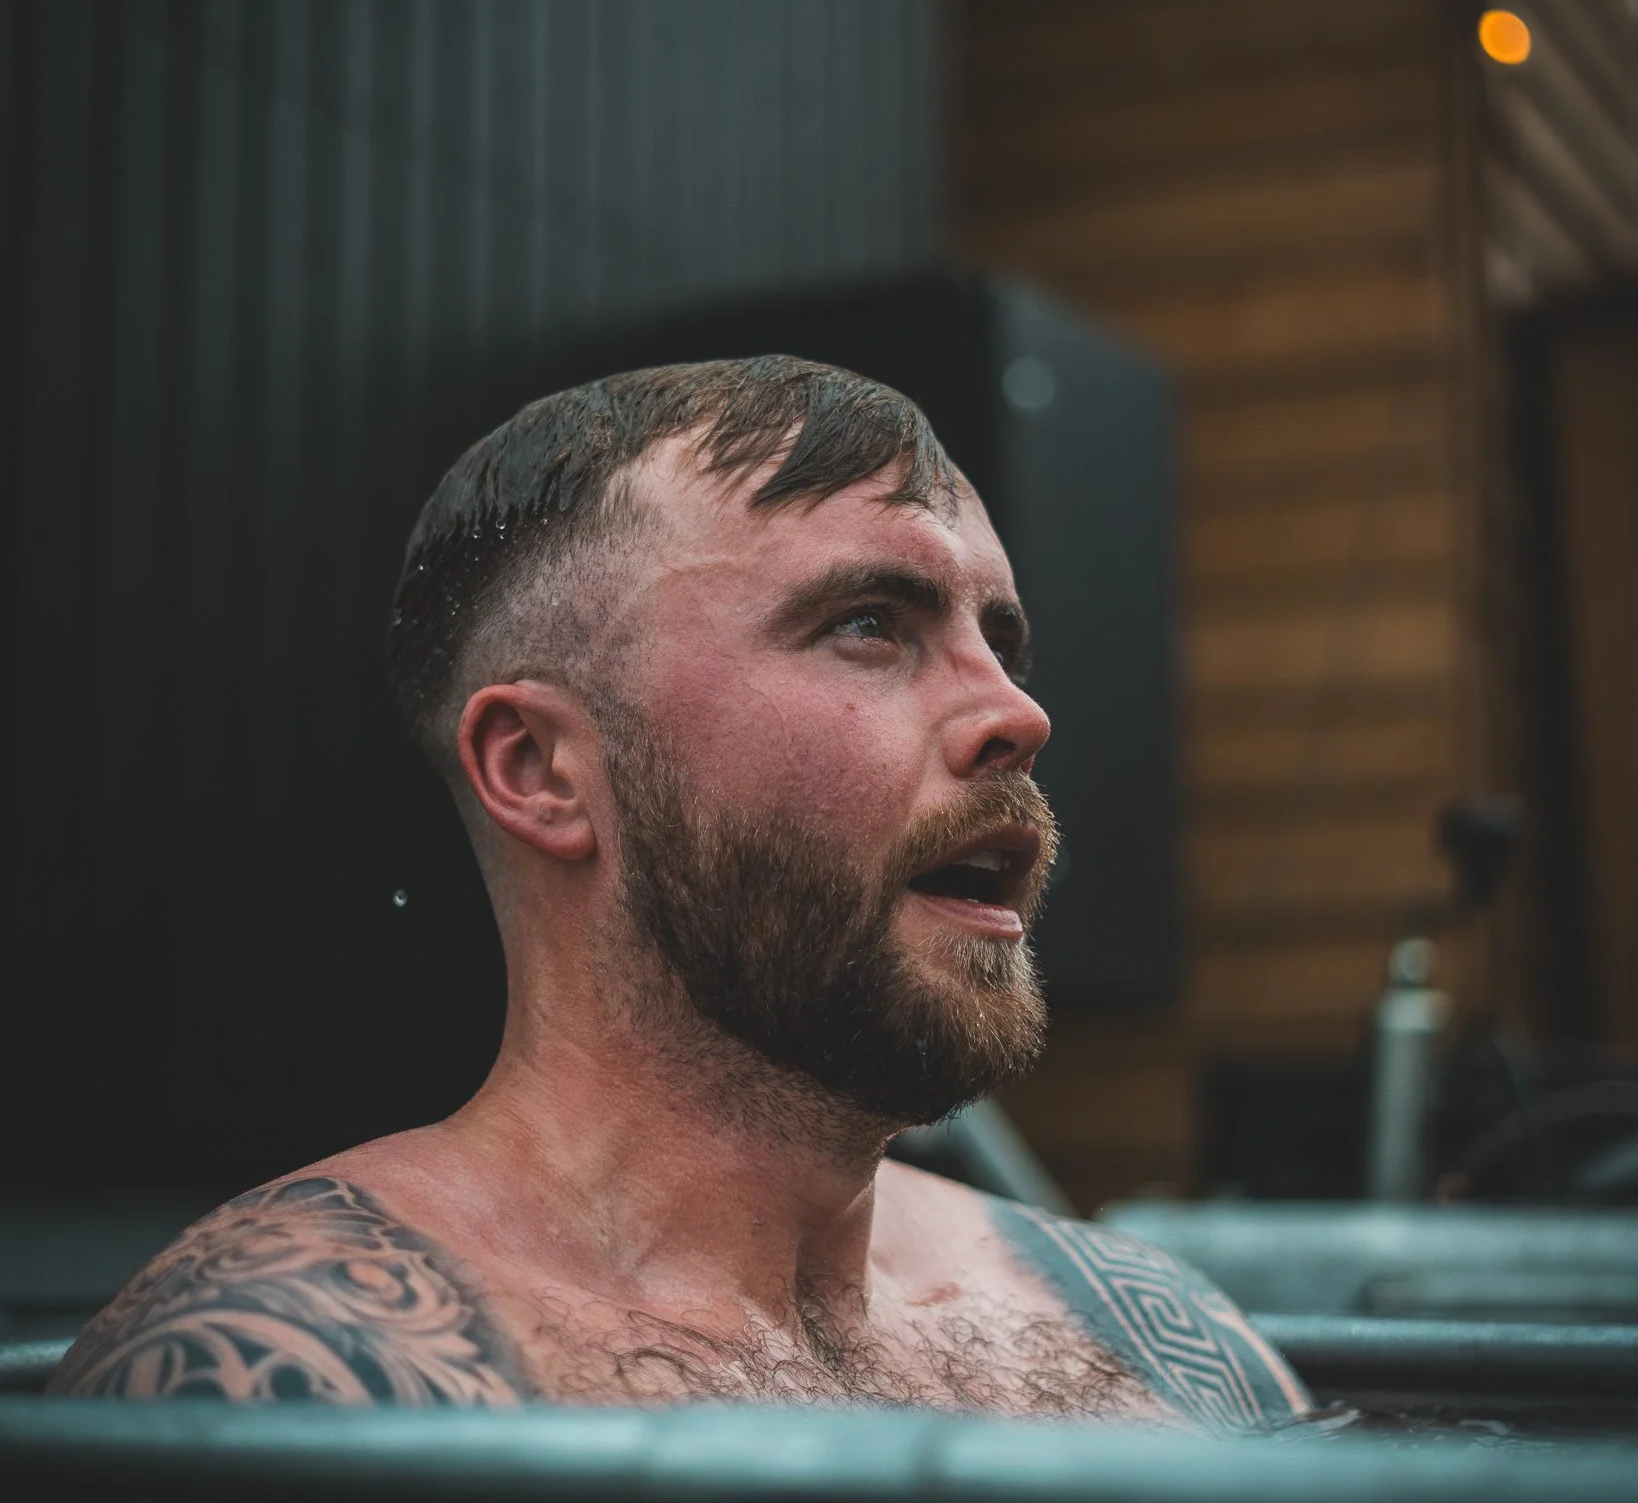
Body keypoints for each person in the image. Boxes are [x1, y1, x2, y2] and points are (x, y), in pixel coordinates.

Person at [52, 358, 1310, 1429]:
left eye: (1001, 639)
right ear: (542, 770)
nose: (1019, 713)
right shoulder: (290, 1371)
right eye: (870, 623)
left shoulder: (1146, 1326)